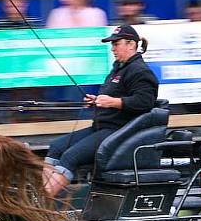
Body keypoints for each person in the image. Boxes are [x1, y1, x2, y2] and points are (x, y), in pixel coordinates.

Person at [44, 24, 158, 196]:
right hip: (102, 128)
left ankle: (42, 204)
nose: (112, 48)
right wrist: (96, 100)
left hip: (120, 131)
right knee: (56, 147)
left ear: (131, 44)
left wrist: (113, 102)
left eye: (116, 44)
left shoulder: (140, 71)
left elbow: (145, 102)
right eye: (112, 44)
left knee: (70, 157)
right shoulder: (118, 69)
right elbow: (117, 97)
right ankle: (42, 193)